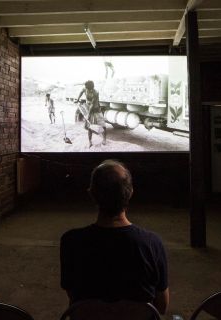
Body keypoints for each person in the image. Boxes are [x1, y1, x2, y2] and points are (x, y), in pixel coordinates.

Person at [59, 160, 169, 314]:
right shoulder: (152, 243)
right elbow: (162, 307)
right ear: (130, 193)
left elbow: (74, 297)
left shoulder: (71, 242)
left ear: (91, 193)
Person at [76, 80, 107, 147]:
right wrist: (78, 99)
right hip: (88, 108)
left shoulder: (95, 92)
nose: (86, 89)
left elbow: (92, 105)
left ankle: (104, 139)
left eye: (88, 88)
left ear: (91, 88)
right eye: (86, 88)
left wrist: (88, 115)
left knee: (103, 126)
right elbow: (81, 92)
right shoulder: (85, 88)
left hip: (96, 110)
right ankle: (90, 141)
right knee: (90, 127)